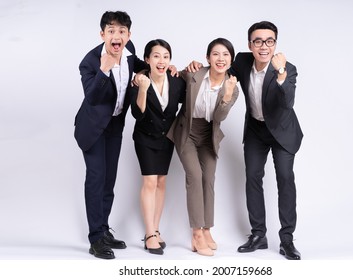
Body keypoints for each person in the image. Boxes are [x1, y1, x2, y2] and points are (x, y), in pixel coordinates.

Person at [74, 11, 149, 259]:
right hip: (93, 129)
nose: (117, 36)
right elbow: (92, 99)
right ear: (102, 34)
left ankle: (104, 229)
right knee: (96, 180)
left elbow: (140, 65)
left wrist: (156, 69)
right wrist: (103, 71)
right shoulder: (90, 62)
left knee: (109, 181)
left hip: (115, 127)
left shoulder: (129, 52)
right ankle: (95, 238)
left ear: (128, 35)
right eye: (111, 31)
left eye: (122, 31)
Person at [230, 21, 303, 260]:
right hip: (255, 130)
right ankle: (258, 235)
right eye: (258, 41)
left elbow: (288, 102)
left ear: (275, 44)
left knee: (284, 179)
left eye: (269, 41)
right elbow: (218, 67)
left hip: (282, 132)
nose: (264, 46)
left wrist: (281, 72)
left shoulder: (287, 69)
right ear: (250, 44)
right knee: (252, 177)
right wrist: (196, 67)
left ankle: (287, 240)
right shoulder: (241, 62)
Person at [167, 38, 239, 256]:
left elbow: (219, 116)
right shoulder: (194, 74)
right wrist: (171, 67)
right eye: (216, 54)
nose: (220, 59)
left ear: (231, 60)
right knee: (195, 176)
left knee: (209, 179)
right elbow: (172, 77)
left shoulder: (232, 87)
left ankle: (207, 229)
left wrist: (226, 94)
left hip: (209, 135)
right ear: (208, 57)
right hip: (187, 131)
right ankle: (196, 233)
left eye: (226, 55)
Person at [130, 39, 186, 255]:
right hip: (145, 138)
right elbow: (138, 114)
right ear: (147, 59)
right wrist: (143, 89)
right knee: (150, 181)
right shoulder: (138, 82)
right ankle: (149, 234)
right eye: (156, 56)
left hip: (166, 139)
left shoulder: (176, 81)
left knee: (161, 182)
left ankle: (155, 229)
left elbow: (189, 95)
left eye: (165, 56)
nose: (161, 61)